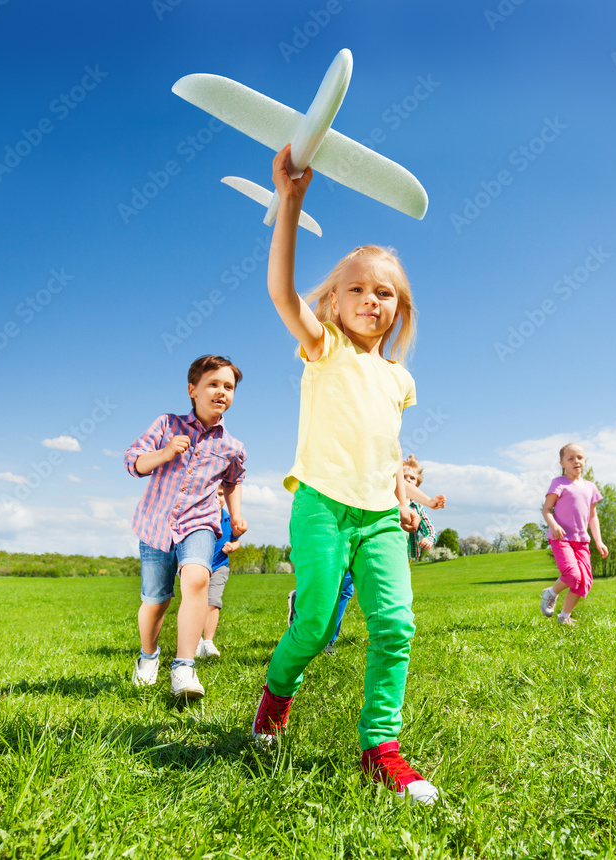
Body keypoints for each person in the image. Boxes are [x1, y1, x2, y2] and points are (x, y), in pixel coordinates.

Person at [252, 144, 437, 804]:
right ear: (331, 301)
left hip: (381, 518)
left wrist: (402, 502)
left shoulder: (400, 378)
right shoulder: (323, 349)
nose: (370, 298)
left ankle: (379, 748)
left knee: (396, 626)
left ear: (399, 309)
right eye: (356, 288)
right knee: (314, 628)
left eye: (384, 292)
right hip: (323, 509)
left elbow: (386, 447)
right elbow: (280, 291)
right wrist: (291, 200)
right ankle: (276, 694)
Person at [125, 355, 247, 698]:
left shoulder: (232, 447)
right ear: (193, 389)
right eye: (213, 384)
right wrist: (164, 453)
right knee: (155, 600)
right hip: (155, 523)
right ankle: (148, 658)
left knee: (197, 579)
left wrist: (236, 515)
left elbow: (233, 481)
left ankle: (184, 668)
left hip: (199, 522)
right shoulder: (167, 424)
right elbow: (133, 461)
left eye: (228, 386)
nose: (221, 391)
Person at [285, 454, 445, 655]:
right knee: (337, 587)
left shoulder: (415, 507)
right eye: (403, 476)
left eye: (412, 479)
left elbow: (428, 527)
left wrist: (429, 516)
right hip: (362, 545)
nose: (407, 481)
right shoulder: (386, 494)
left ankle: (348, 640)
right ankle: (307, 612)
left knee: (370, 596)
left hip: (393, 558)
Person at [539, 443, 608, 626]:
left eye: (579, 457)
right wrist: (554, 525)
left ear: (585, 461)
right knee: (572, 574)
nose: (575, 461)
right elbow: (546, 509)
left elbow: (593, 517)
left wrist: (599, 541)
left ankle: (564, 617)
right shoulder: (559, 483)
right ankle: (551, 593)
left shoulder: (591, 487)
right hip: (561, 538)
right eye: (570, 458)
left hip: (582, 542)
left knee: (584, 581)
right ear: (562, 463)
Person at [196, 485, 245, 659]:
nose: (218, 498)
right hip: (198, 566)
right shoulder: (198, 516)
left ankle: (208, 642)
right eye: (214, 494)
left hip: (219, 566)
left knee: (213, 602)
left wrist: (233, 546)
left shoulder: (228, 518)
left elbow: (237, 540)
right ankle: (195, 641)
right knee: (195, 603)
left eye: (221, 494)